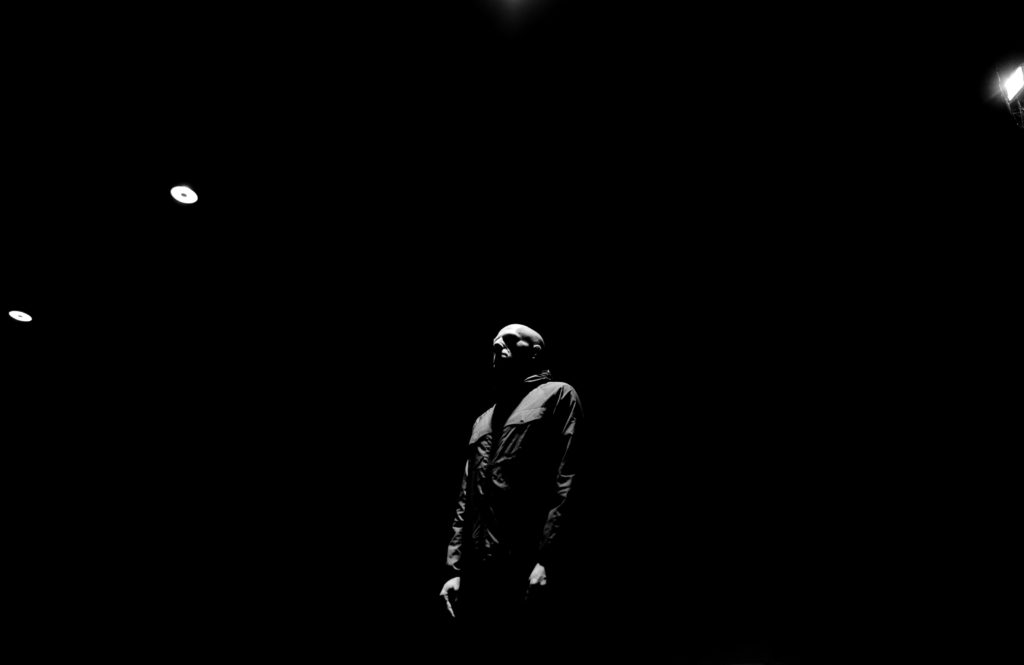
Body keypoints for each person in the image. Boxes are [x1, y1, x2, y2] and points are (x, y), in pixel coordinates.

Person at [440, 323, 583, 644]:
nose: (498, 345)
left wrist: (548, 560)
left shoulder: (559, 396)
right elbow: (465, 499)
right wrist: (455, 570)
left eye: (509, 340)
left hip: (526, 566)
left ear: (534, 352)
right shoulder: (483, 420)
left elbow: (568, 478)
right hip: (479, 574)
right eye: (495, 342)